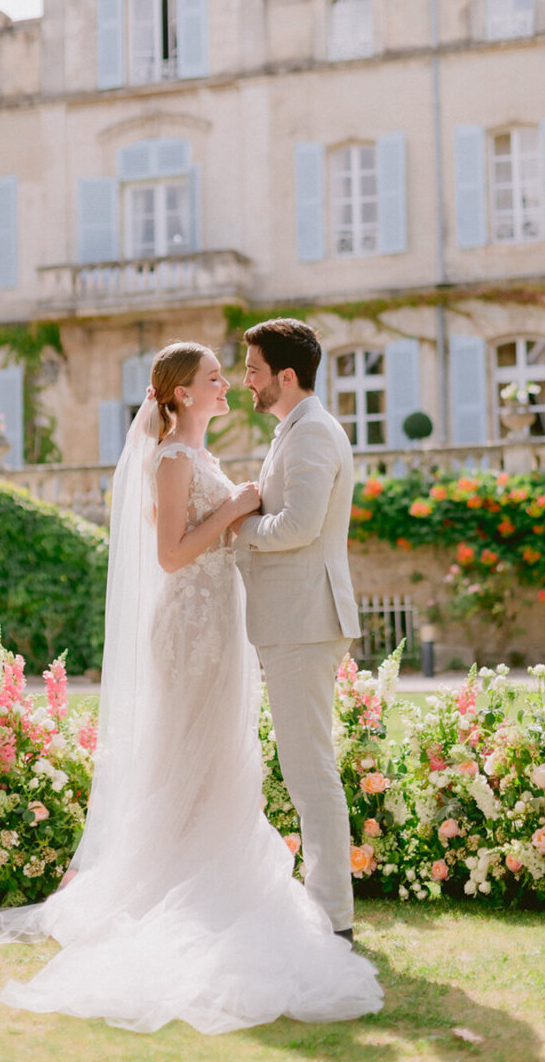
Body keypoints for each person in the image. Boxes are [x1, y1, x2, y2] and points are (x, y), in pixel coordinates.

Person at [0, 341, 383, 1033]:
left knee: (218, 755)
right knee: (188, 751)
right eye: (216, 377)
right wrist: (237, 512)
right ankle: (176, 881)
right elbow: (173, 553)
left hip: (222, 622)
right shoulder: (175, 458)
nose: (230, 383)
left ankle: (210, 870)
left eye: (237, 372)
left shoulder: (207, 456)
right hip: (190, 627)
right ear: (181, 395)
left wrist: (238, 510)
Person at [234, 319, 360, 942]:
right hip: (297, 619)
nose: (245, 381)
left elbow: (298, 525)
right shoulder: (298, 429)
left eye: (253, 370)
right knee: (307, 769)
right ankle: (328, 910)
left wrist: (239, 528)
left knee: (311, 773)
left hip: (305, 621)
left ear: (286, 375)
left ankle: (334, 919)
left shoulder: (311, 432)